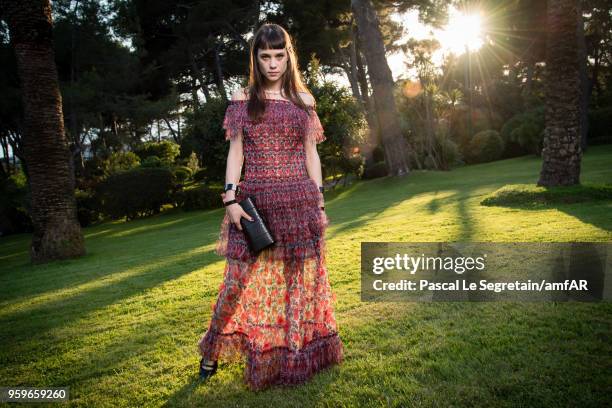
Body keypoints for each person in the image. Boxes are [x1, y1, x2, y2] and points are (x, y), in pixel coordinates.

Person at [196, 23, 344, 391]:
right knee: (235, 281)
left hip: (299, 203)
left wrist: (320, 201)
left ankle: (295, 355)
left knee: (299, 284)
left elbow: (312, 155)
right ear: (256, 58)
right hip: (254, 204)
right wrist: (230, 198)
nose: (273, 63)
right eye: (265, 56)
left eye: (279, 55)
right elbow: (236, 152)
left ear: (288, 56)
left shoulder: (303, 102)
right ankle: (211, 349)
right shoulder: (242, 98)